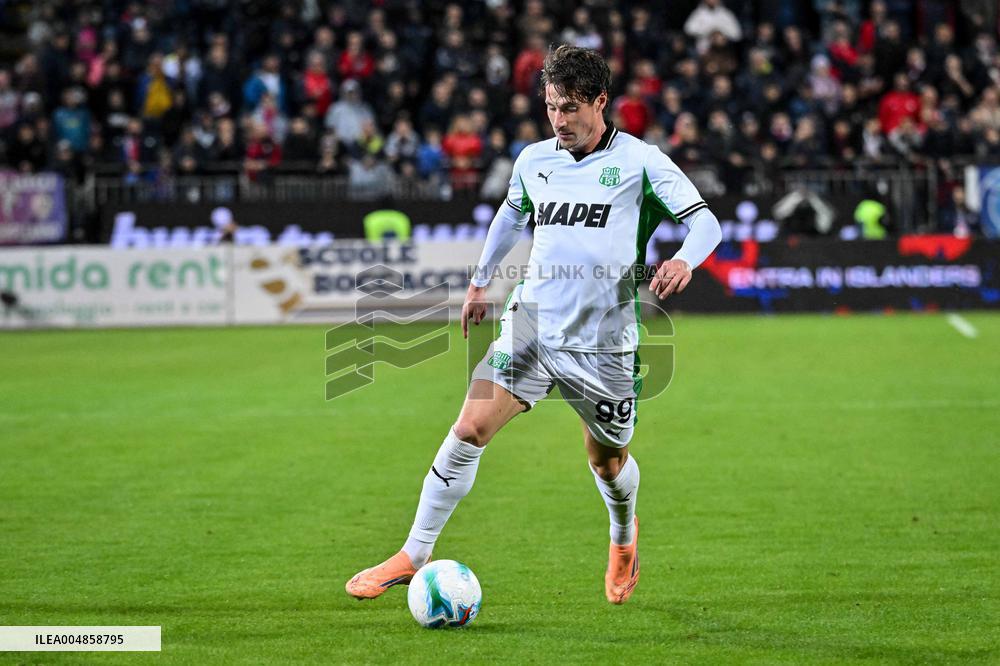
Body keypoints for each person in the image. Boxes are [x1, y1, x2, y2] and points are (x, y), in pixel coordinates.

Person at [345, 46, 722, 605]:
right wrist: (480, 282)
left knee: (607, 460)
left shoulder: (642, 162)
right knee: (468, 429)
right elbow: (510, 216)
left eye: (570, 108)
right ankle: (413, 553)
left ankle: (623, 536)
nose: (559, 120)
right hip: (532, 324)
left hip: (604, 345)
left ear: (600, 102)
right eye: (550, 107)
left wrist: (684, 259)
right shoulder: (534, 161)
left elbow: (705, 222)